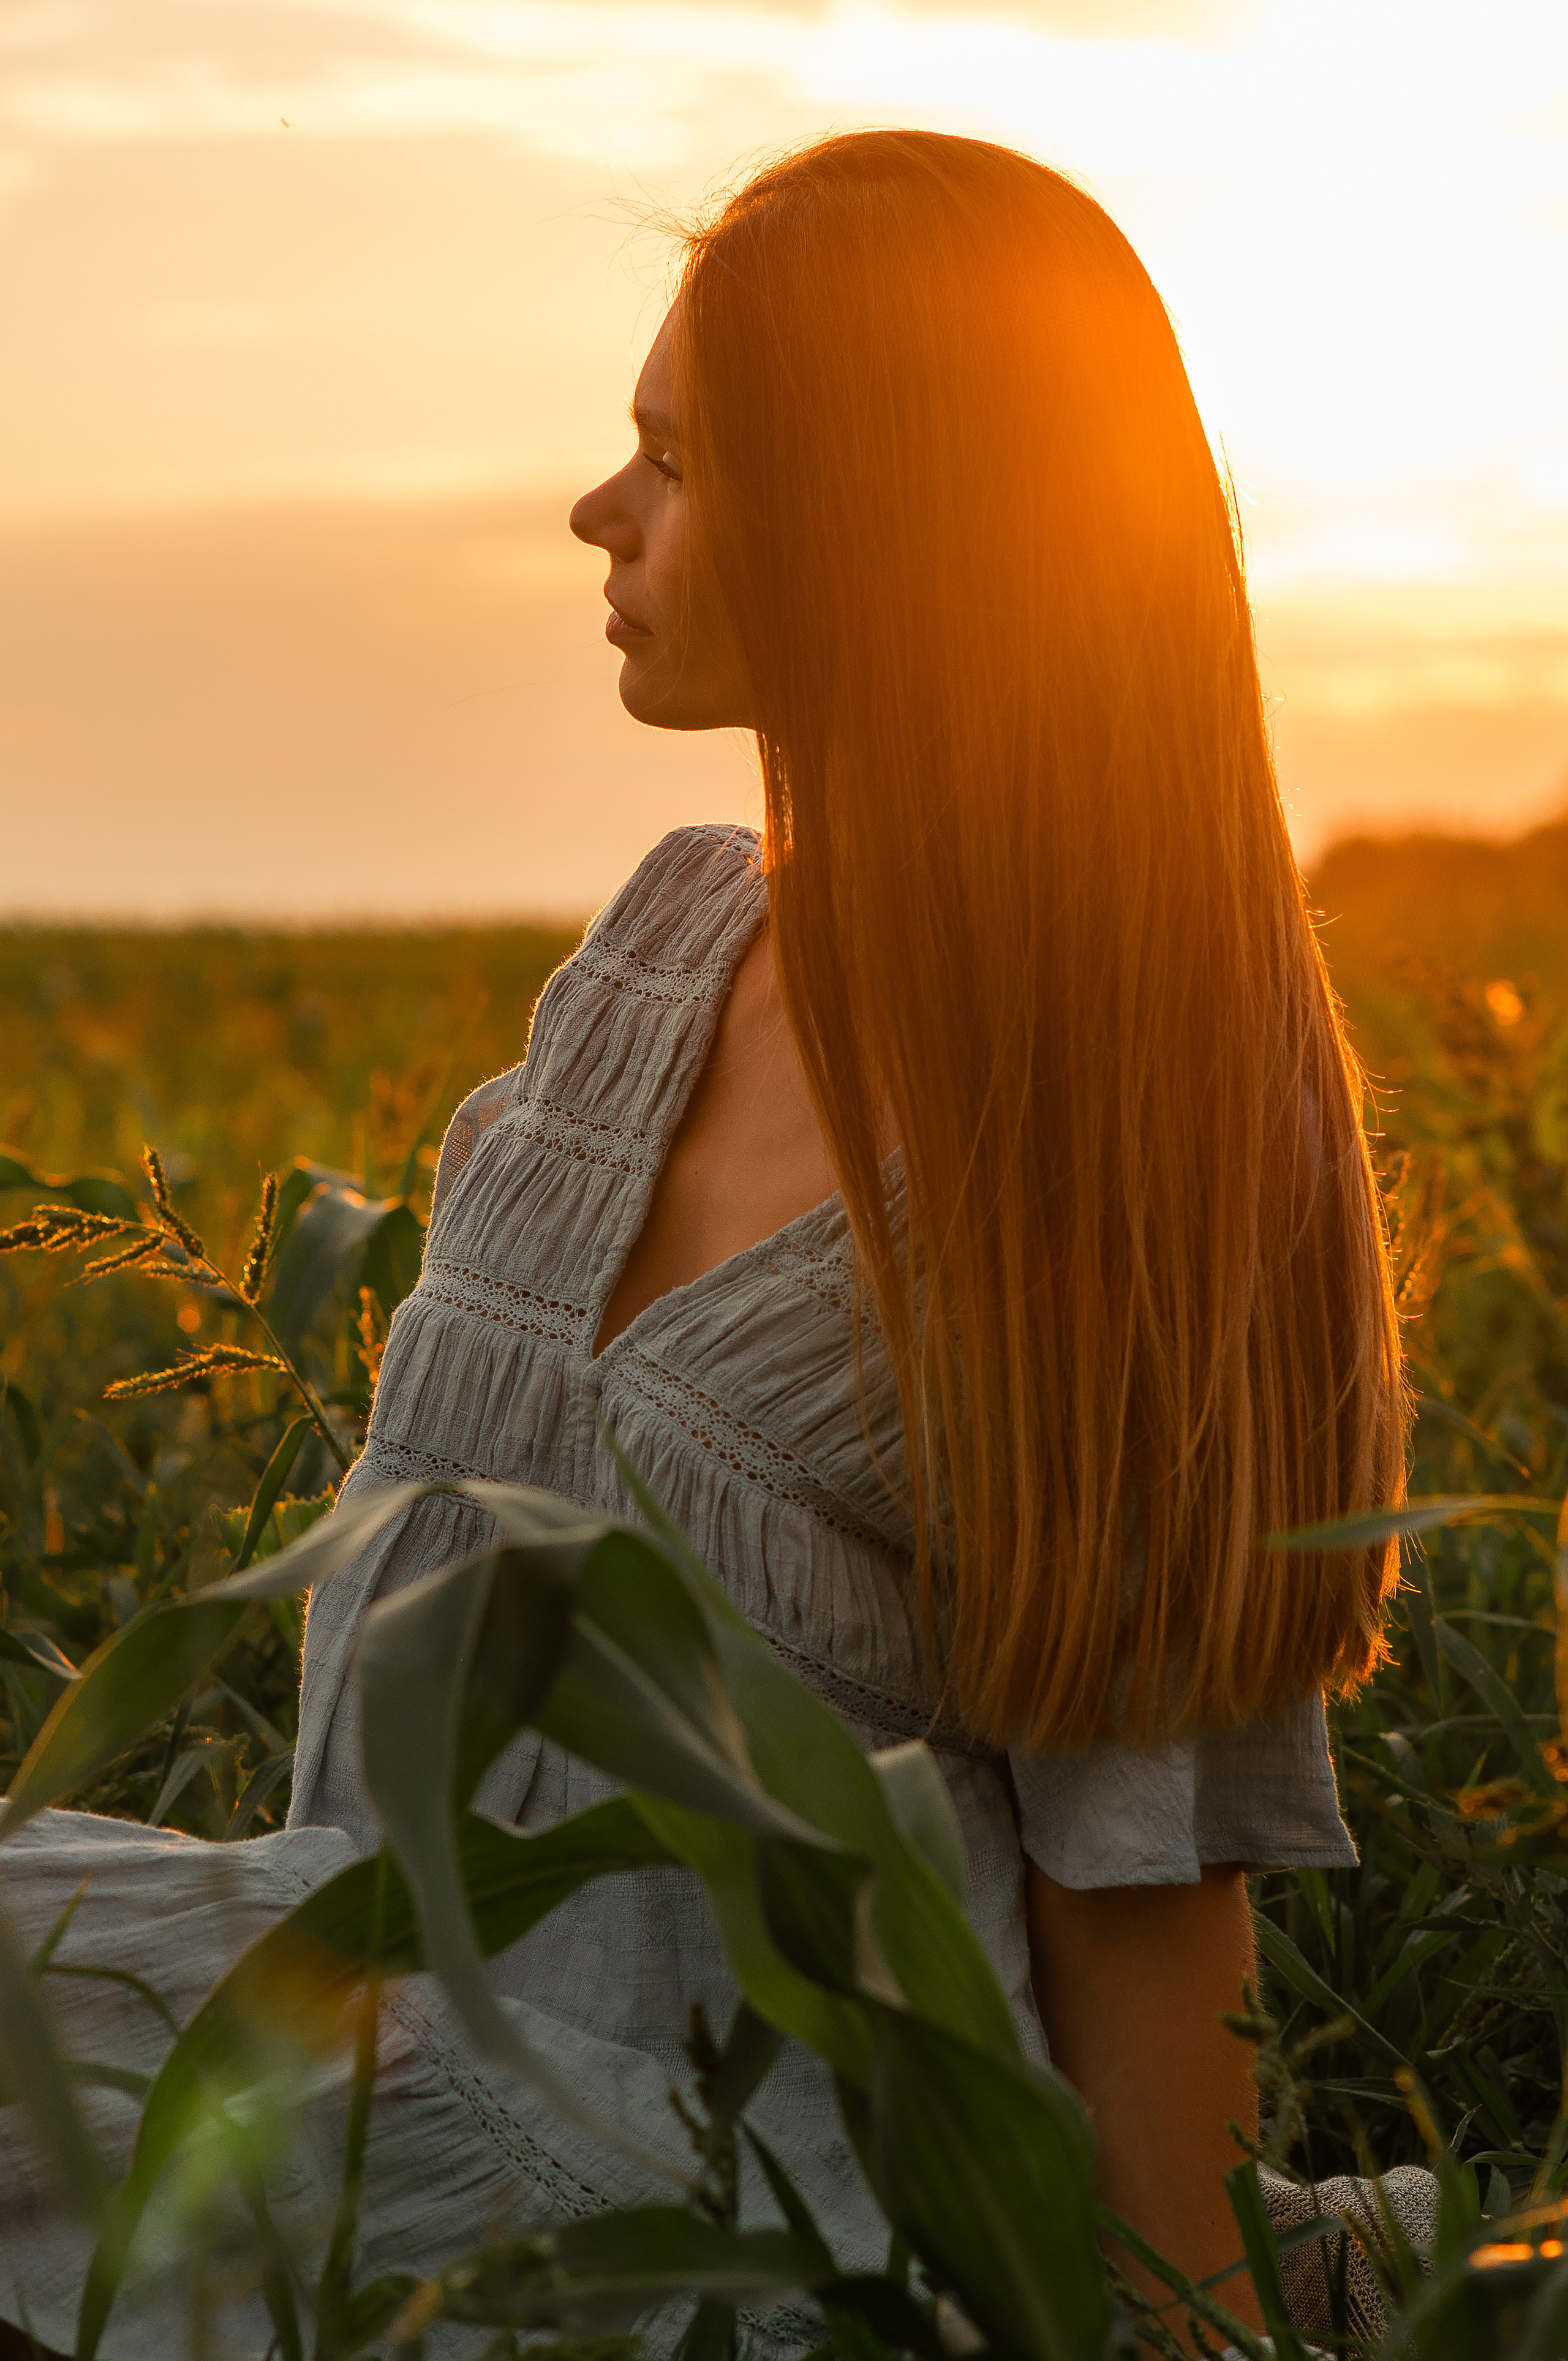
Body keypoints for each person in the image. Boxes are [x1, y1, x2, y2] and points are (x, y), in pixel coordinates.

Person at [0, 130, 1404, 2360]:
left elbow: (1145, 1890)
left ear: (882, 528)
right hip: (333, 2009)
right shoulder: (658, 955)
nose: (597, 510)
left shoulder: (1129, 1152)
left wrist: (1181, 2321)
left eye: (672, 455)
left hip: (716, 2207)